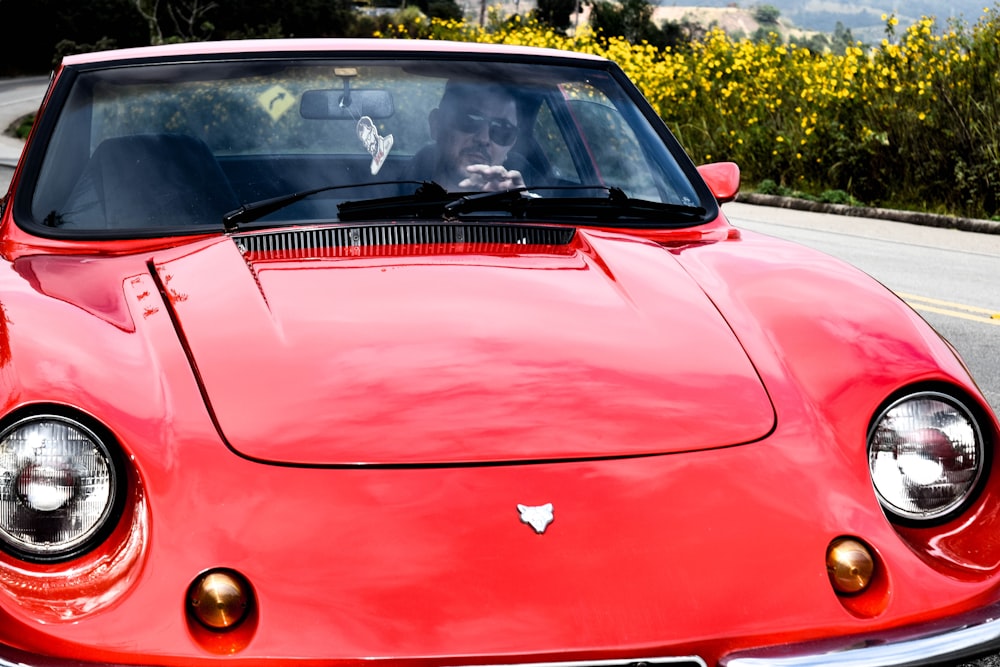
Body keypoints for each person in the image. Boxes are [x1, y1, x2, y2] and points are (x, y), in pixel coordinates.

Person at [413, 80, 526, 191]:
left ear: (511, 146)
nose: (483, 138)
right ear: (436, 125)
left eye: (502, 130)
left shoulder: (524, 201)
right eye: (469, 120)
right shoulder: (397, 195)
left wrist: (523, 205)